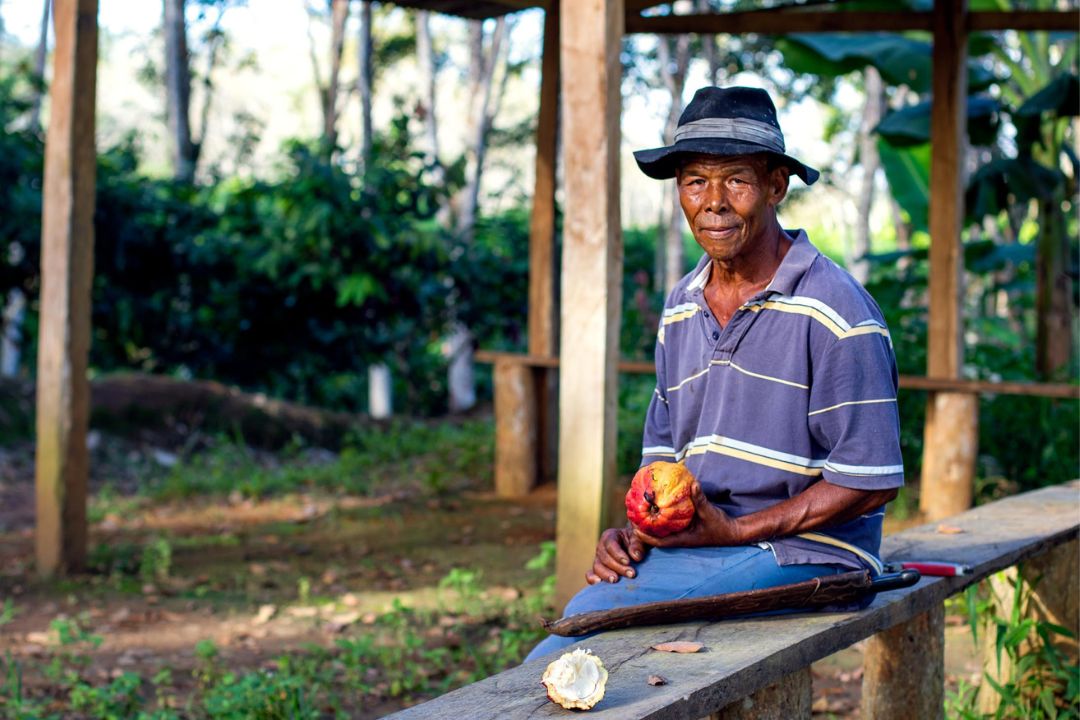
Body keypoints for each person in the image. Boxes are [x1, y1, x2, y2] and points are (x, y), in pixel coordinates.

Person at [525, 85, 904, 662]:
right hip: (711, 544)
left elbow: (871, 478)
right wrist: (641, 531)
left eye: (737, 180)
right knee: (592, 616)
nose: (713, 201)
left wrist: (736, 532)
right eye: (695, 180)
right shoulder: (681, 304)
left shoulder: (837, 311)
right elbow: (663, 465)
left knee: (585, 626)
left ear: (776, 185)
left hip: (813, 554)